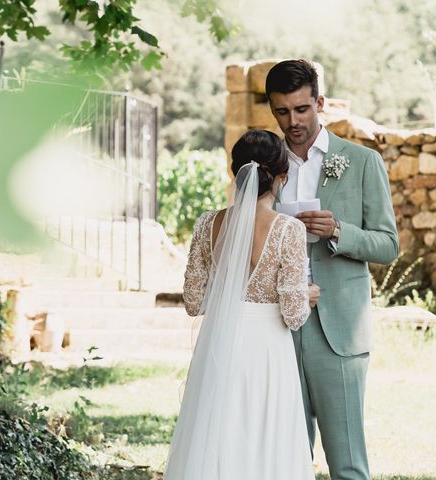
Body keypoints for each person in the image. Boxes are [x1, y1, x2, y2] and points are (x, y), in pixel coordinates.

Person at [265, 59, 400, 480]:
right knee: (284, 459)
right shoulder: (266, 166)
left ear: (319, 103)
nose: (293, 121)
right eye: (282, 111)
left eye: (302, 109)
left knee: (347, 464)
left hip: (337, 331)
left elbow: (388, 244)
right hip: (276, 326)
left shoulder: (361, 161)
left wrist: (340, 231)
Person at [164, 129, 319, 479]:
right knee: (266, 438)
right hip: (266, 353)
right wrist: (306, 294)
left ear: (236, 174)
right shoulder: (287, 230)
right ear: (282, 177)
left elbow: (193, 301)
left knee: (217, 436)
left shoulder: (207, 224)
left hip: (220, 344)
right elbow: (294, 315)